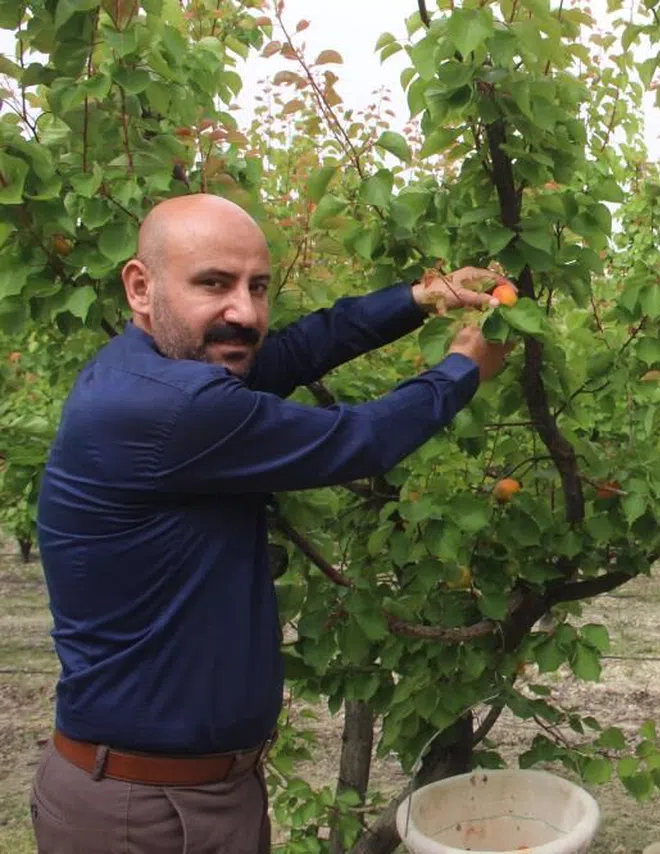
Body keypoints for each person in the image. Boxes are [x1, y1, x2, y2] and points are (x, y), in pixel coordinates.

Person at [29, 193, 514, 853]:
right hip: (145, 812)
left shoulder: (160, 368)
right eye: (213, 284)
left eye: (258, 287)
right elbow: (361, 439)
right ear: (141, 288)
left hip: (190, 792)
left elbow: (292, 352)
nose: (245, 312)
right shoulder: (169, 408)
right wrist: (463, 370)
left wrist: (420, 297)